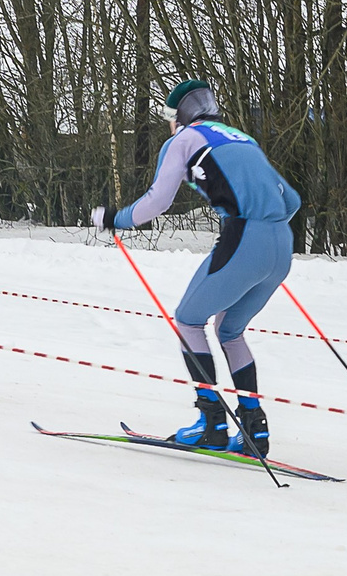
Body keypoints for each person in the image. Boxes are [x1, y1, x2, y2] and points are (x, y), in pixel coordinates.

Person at [89, 80, 301, 455]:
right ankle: (255, 430)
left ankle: (211, 423)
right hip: (282, 244)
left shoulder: (183, 141)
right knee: (230, 330)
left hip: (244, 237)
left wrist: (115, 218)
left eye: (169, 118)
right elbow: (293, 200)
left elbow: (157, 202)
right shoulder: (240, 138)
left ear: (179, 115)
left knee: (189, 319)